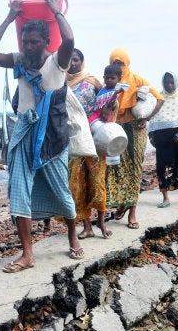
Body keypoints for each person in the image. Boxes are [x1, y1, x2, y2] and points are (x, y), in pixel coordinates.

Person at [0, 0, 84, 273]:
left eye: (35, 42)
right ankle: (27, 254)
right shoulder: (19, 61)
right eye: (25, 41)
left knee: (61, 189)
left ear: (46, 42)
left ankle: (73, 234)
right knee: (18, 191)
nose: (28, 46)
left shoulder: (57, 62)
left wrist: (56, 12)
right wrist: (8, 19)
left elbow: (70, 41)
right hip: (24, 133)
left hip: (51, 136)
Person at [106, 48, 164, 230]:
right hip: (116, 129)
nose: (118, 67)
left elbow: (159, 99)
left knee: (135, 168)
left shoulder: (137, 80)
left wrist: (147, 118)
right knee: (116, 169)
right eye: (115, 63)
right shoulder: (109, 81)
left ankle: (132, 213)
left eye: (121, 63)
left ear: (127, 63)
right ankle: (122, 204)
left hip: (135, 129)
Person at [65, 49, 112, 239]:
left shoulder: (92, 81)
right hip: (74, 138)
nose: (72, 64)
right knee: (78, 182)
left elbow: (105, 102)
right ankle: (87, 226)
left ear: (82, 61)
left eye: (75, 60)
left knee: (98, 181)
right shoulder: (61, 82)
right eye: (69, 60)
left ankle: (100, 221)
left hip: (94, 137)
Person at [148, 72, 178, 207]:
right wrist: (151, 135)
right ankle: (165, 198)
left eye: (171, 82)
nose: (169, 85)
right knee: (162, 167)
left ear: (176, 82)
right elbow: (153, 117)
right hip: (162, 138)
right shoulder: (158, 97)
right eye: (166, 82)